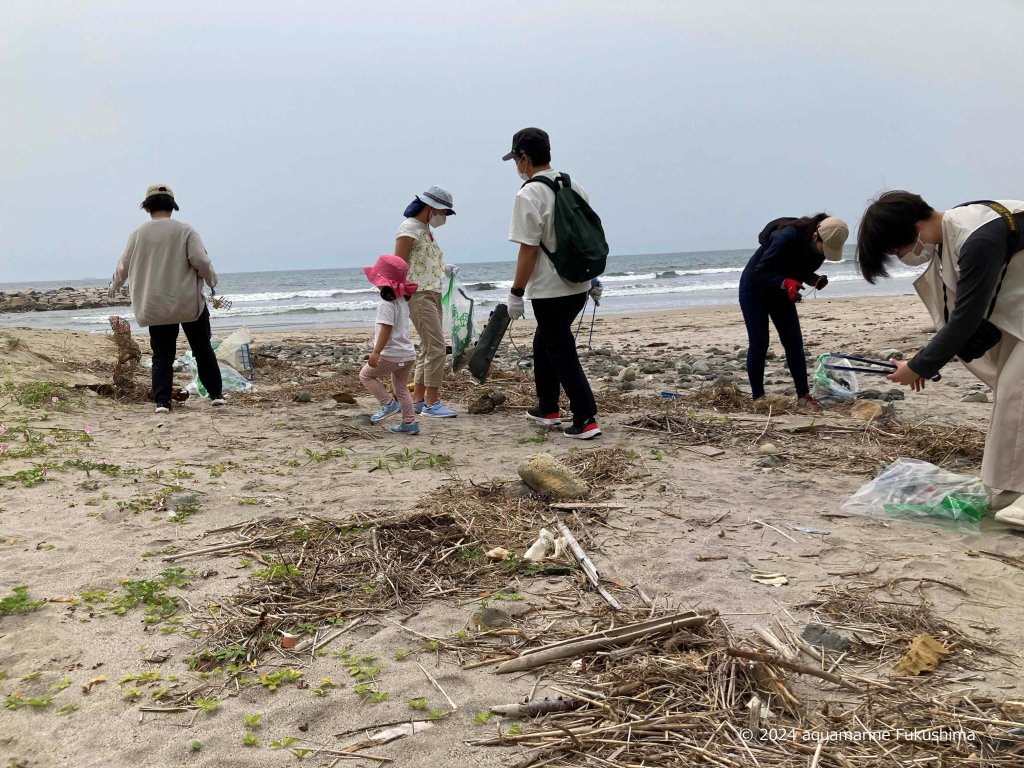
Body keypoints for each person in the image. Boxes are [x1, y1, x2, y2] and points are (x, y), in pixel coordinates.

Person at [857, 191, 1024, 527]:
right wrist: (922, 360)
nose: (902, 257)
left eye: (896, 250)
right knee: (1010, 393)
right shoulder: (957, 226)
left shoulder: (979, 239)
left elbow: (967, 317)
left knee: (1015, 393)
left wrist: (920, 365)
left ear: (914, 227)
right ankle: (1008, 486)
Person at [502, 127, 601, 439]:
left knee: (560, 348)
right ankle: (548, 408)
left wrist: (516, 293)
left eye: (516, 159)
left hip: (549, 288)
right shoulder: (573, 185)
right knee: (544, 341)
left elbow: (528, 248)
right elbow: (587, 236)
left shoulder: (528, 194)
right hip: (578, 285)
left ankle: (586, 418)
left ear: (525, 159)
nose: (516, 166)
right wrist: (593, 277)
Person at [111, 183, 223, 414]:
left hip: (156, 304)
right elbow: (200, 260)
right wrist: (212, 282)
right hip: (188, 302)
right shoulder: (185, 230)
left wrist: (115, 283)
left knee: (162, 355)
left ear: (147, 207)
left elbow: (124, 265)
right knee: (202, 349)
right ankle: (216, 395)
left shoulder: (138, 234)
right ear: (172, 206)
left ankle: (162, 402)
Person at [738, 214, 848, 403]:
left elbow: (798, 267)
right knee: (760, 342)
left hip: (782, 291)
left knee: (793, 342)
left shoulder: (819, 250)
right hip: (754, 288)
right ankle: (758, 397)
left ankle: (803, 396)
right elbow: (761, 271)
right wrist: (784, 282)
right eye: (825, 248)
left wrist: (812, 279)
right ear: (815, 236)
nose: (824, 254)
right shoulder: (785, 237)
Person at [394, 186, 459, 418]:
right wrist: (399, 297)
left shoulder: (426, 229)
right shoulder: (409, 228)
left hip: (432, 292)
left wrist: (444, 270)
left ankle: (419, 400)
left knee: (428, 348)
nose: (444, 218)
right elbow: (398, 264)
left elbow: (424, 262)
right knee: (437, 348)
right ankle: (433, 404)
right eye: (444, 213)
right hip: (418, 295)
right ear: (432, 208)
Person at [358, 254, 420, 435]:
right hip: (408, 354)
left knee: (366, 376)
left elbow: (386, 329)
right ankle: (409, 422)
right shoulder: (401, 301)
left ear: (382, 281)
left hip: (391, 353)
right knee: (400, 388)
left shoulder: (386, 304)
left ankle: (387, 403)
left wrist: (376, 352)